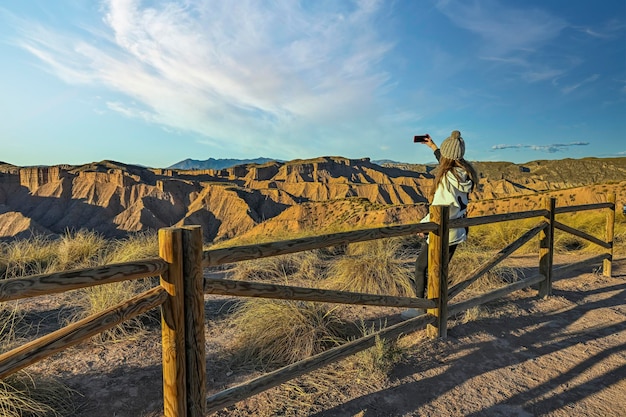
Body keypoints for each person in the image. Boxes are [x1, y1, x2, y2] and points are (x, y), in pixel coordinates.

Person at [402, 130, 479, 319]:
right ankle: (438, 305)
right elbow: (445, 160)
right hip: (458, 231)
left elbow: (441, 207)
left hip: (442, 232)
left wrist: (423, 226)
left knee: (421, 267)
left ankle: (420, 307)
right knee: (440, 269)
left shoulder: (446, 179)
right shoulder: (464, 174)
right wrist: (433, 146)